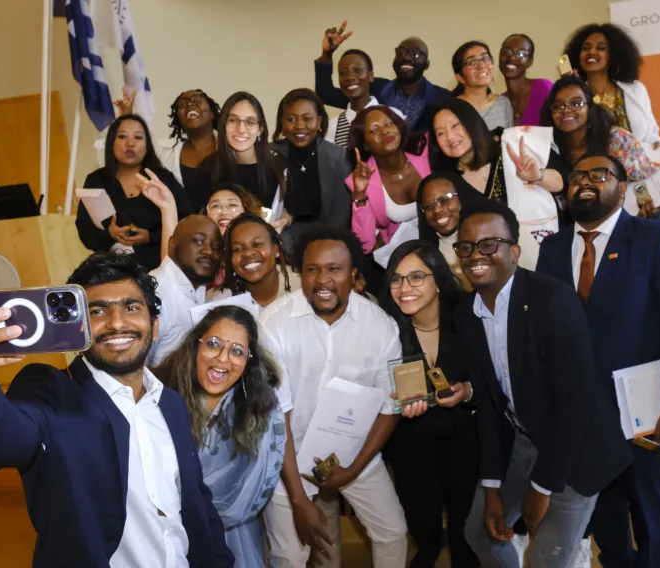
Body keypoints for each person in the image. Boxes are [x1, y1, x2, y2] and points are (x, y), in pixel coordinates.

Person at [0, 252, 234, 567]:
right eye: (97, 311)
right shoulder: (51, 391)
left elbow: (198, 502)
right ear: (77, 326)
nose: (116, 323)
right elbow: (0, 442)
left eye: (131, 307)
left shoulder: (171, 403)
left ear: (154, 326)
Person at [537, 153, 660, 568]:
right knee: (605, 519)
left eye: (599, 174)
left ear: (622, 187)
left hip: (645, 415)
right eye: (577, 177)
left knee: (649, 517)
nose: (585, 182)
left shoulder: (657, 238)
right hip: (582, 418)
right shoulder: (552, 248)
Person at [453, 200, 631, 568]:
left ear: (515, 252)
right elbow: (488, 405)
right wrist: (491, 486)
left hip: (577, 447)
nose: (475, 255)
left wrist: (541, 487)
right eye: (466, 246)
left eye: (489, 244)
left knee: (548, 560)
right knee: (478, 532)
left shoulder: (552, 300)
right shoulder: (466, 314)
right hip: (523, 436)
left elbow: (575, 404)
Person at [259, 224, 408, 568]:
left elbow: (391, 406)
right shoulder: (274, 323)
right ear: (301, 273)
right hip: (288, 453)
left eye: (334, 269)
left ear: (353, 274)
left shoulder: (380, 326)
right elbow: (276, 415)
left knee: (393, 532)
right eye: (312, 269)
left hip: (354, 450)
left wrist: (352, 470)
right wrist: (299, 499)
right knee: (290, 556)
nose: (322, 280)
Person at [155, 306, 286, 568]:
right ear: (197, 345)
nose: (223, 359)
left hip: (235, 536)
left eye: (237, 351)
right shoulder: (159, 396)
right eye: (213, 344)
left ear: (248, 360)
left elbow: (256, 484)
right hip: (166, 533)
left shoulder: (260, 409)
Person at [381, 240, 480, 568]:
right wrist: (392, 402)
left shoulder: (469, 317)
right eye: (396, 279)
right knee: (421, 518)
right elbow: (373, 388)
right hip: (410, 441)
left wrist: (468, 391)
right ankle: (429, 546)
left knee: (466, 525)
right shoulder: (386, 329)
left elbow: (497, 381)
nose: (404, 288)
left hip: (466, 437)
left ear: (437, 280)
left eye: (416, 277)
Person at [429, 98, 567, 266]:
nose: (450, 137)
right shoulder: (446, 181)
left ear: (471, 120)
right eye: (440, 133)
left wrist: (537, 176)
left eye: (456, 125)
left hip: (549, 250)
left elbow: (563, 182)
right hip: (498, 267)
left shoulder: (512, 144)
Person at [540, 75, 660, 221]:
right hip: (579, 228)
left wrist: (649, 209)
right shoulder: (549, 150)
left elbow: (649, 186)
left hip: (632, 221)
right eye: (558, 106)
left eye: (576, 103)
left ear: (590, 107)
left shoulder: (618, 140)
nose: (566, 110)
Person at [75, 114, 193, 271]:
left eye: (138, 137)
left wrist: (150, 237)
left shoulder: (161, 179)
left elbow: (187, 222)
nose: (130, 143)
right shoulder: (96, 180)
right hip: (112, 271)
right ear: (111, 143)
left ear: (147, 145)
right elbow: (85, 231)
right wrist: (110, 235)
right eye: (122, 136)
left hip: (160, 269)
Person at [136, 167, 223, 366]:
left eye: (217, 247)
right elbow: (135, 369)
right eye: (198, 241)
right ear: (172, 245)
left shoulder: (195, 287)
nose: (209, 251)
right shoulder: (156, 292)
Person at [315, 20, 450, 132]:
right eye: (401, 52)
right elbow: (326, 95)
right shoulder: (374, 88)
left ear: (427, 64)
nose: (406, 57)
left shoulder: (443, 97)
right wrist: (327, 55)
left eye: (415, 53)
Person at [197, 92, 291, 231]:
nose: (241, 129)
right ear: (223, 125)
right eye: (233, 120)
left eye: (250, 122)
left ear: (260, 129)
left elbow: (295, 211)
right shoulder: (207, 168)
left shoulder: (279, 166)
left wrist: (284, 220)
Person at [114, 87, 221, 208]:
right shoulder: (164, 152)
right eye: (182, 104)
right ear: (178, 119)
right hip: (179, 219)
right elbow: (133, 158)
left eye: (196, 100)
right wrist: (126, 115)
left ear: (212, 113)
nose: (189, 104)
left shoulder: (230, 147)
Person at [564, 23, 660, 149]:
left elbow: (652, 133)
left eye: (601, 48)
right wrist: (574, 89)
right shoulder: (575, 94)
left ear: (613, 55)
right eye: (585, 48)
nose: (592, 52)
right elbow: (572, 136)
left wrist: (656, 142)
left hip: (640, 159)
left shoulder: (635, 89)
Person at [347, 105, 430, 254]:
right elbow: (364, 245)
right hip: (404, 254)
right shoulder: (362, 180)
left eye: (388, 124)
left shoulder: (425, 150)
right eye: (373, 130)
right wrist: (359, 194)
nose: (384, 131)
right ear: (365, 145)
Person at [272, 88, 352, 241]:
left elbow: (340, 212)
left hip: (327, 237)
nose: (299, 126)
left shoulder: (337, 156)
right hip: (280, 235)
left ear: (319, 122)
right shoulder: (270, 155)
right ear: (282, 123)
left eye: (307, 119)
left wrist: (327, 244)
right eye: (291, 119)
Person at [416, 170, 489, 289]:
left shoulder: (493, 234)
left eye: (445, 200)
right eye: (428, 206)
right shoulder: (427, 258)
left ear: (461, 197)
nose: (437, 210)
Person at [214, 213, 301, 307]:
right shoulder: (218, 301)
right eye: (238, 249)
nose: (248, 253)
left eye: (257, 244)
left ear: (276, 249)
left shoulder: (302, 287)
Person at [452, 41, 514, 131]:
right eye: (472, 62)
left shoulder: (504, 104)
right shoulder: (451, 109)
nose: (481, 65)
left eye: (485, 58)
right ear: (460, 77)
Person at [498, 34, 553, 127]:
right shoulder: (499, 103)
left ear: (529, 62)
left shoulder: (544, 88)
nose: (512, 57)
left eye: (521, 54)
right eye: (506, 52)